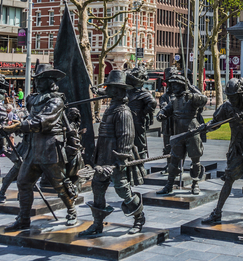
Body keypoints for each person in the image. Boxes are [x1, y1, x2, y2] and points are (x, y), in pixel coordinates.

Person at [2, 64, 78, 229]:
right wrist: (17, 123)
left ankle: (71, 210)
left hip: (50, 148)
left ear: (50, 81)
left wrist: (19, 126)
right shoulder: (34, 98)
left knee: (59, 183)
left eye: (41, 79)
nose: (37, 82)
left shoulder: (56, 100)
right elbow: (30, 117)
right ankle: (23, 219)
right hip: (32, 147)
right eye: (36, 79)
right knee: (23, 182)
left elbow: (44, 120)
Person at [80, 70, 146, 236]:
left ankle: (139, 218)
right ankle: (97, 223)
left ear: (116, 91)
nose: (106, 90)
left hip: (116, 158)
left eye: (109, 87)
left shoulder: (123, 111)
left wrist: (119, 161)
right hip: (103, 155)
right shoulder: (111, 109)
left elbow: (127, 137)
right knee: (97, 187)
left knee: (122, 189)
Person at [202, 79, 243, 224]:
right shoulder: (226, 106)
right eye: (229, 96)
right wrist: (207, 127)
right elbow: (216, 122)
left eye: (233, 96)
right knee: (229, 177)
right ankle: (217, 212)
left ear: (241, 94)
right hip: (237, 146)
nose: (231, 99)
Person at [156, 73, 208, 195]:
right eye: (172, 85)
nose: (173, 88)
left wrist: (192, 89)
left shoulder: (191, 97)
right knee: (174, 160)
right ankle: (169, 184)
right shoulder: (173, 100)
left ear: (182, 86)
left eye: (176, 85)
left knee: (195, 160)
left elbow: (204, 99)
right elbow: (165, 110)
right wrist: (161, 115)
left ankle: (195, 183)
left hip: (192, 131)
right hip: (178, 133)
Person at [126, 67, 158, 159]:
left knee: (139, 139)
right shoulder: (128, 91)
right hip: (127, 118)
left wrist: (144, 112)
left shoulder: (144, 93)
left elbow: (153, 103)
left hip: (138, 119)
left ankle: (141, 158)